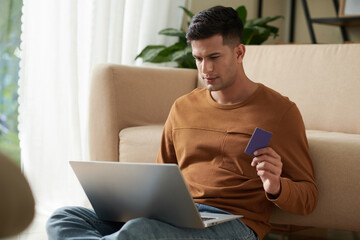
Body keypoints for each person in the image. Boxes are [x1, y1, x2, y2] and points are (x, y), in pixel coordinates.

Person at [46, 5, 318, 240]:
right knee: (64, 218)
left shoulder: (280, 112)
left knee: (140, 231)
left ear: (239, 52)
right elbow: (161, 175)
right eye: (198, 58)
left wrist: (277, 186)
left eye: (214, 57)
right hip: (177, 215)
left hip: (236, 225)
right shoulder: (183, 106)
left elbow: (308, 197)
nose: (205, 69)